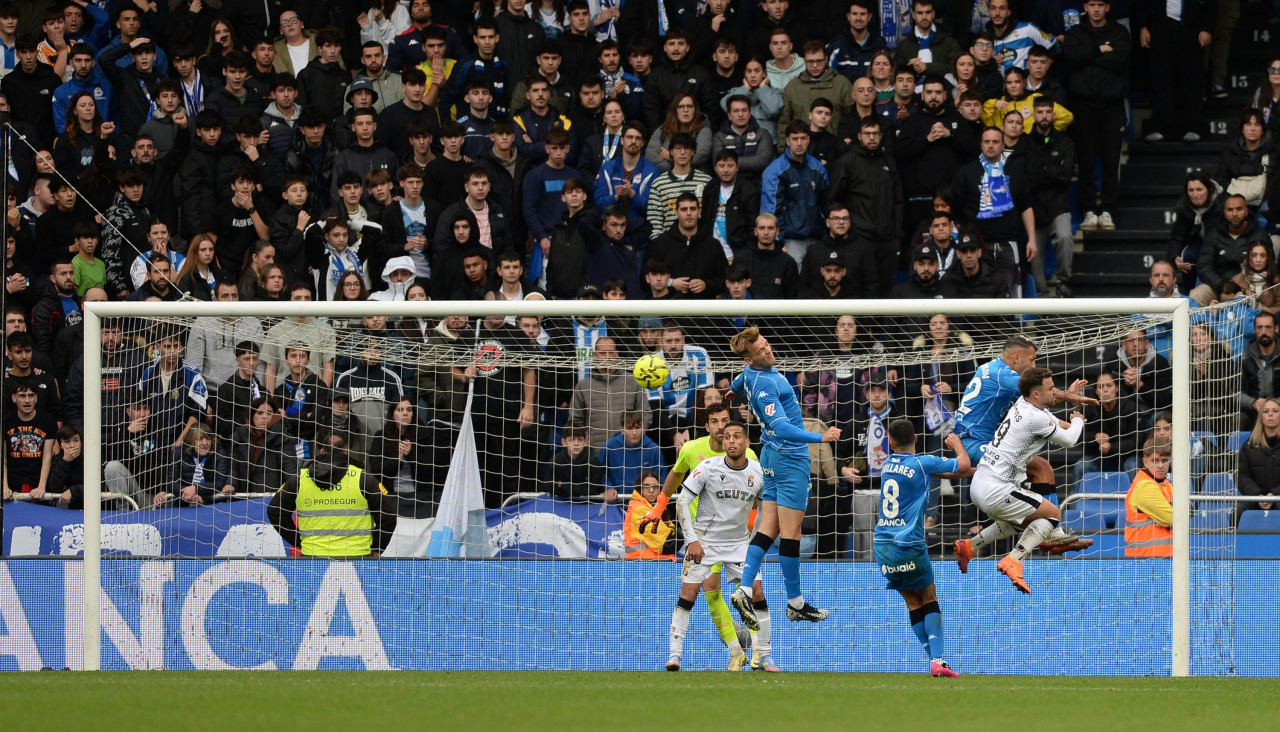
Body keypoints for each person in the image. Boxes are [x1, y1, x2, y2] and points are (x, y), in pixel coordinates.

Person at [727, 326, 840, 625]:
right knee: (792, 534)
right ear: (750, 359)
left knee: (768, 528)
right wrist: (820, 437)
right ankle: (795, 603)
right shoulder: (765, 384)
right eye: (760, 350)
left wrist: (733, 390)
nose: (767, 350)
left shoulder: (749, 374)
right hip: (790, 459)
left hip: (771, 457)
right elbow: (782, 427)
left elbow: (738, 381)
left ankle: (744, 588)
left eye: (766, 344)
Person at [960, 368, 1092, 593]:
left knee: (1023, 519)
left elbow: (1056, 422)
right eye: (1051, 388)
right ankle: (1014, 559)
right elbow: (1070, 440)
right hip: (997, 488)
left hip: (981, 483)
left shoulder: (1025, 404)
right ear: (1037, 394)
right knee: (1052, 515)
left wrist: (1070, 405)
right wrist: (1078, 420)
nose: (1055, 392)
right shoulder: (1035, 417)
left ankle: (970, 545)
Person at [670, 421, 771, 672]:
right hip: (704, 541)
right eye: (727, 437)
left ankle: (763, 653)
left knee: (756, 592)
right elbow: (682, 502)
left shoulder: (758, 472)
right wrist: (692, 540)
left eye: (737, 436)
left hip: (738, 543)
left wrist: (756, 540)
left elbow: (766, 510)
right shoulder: (708, 467)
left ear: (747, 442)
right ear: (723, 442)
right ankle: (675, 656)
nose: (731, 441)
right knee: (689, 593)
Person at [951, 336, 1093, 508]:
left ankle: (1046, 519)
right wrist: (1070, 396)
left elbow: (1039, 399)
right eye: (1032, 360)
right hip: (973, 442)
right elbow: (1041, 391)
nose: (1033, 366)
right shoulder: (1003, 375)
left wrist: (1061, 422)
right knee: (1035, 469)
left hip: (981, 439)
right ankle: (1050, 519)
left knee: (1041, 468)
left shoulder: (996, 370)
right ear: (1017, 358)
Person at [874, 419, 969, 677]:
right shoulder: (922, 463)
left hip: (882, 545)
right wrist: (957, 445)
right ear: (916, 438)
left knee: (913, 604)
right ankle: (938, 660)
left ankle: (936, 661)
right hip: (909, 543)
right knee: (929, 599)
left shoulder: (886, 464)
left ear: (890, 442)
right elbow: (962, 465)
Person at [268, 432, 397, 558]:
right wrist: (377, 547)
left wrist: (299, 540)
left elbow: (275, 511)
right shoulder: (363, 479)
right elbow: (388, 514)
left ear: (322, 451)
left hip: (313, 556)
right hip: (357, 556)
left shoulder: (299, 479)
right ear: (347, 452)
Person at [1063, 0, 1130, 233]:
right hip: (1083, 107)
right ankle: (1089, 210)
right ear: (1085, 7)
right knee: (1086, 162)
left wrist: (1088, 56)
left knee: (1111, 162)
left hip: (1112, 107)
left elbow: (1121, 60)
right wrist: (1100, 49)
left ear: (1108, 7)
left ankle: (1108, 210)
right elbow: (1072, 58)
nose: (1096, 9)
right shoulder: (1075, 32)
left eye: (1100, 4)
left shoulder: (1119, 32)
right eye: (1092, 4)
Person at [951, 127, 1036, 297]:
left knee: (1009, 294)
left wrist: (1032, 239)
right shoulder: (966, 172)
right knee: (977, 294)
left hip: (1008, 243)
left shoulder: (1015, 171)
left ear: (1003, 145)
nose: (990, 145)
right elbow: (955, 209)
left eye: (995, 142)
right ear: (981, 144)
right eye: (987, 141)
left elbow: (1026, 207)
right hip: (976, 245)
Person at [1135, 0, 1215, 143]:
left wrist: (1207, 28)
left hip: (1190, 29)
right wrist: (1143, 26)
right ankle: (1161, 127)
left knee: (1192, 81)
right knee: (1160, 81)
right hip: (1160, 28)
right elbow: (1142, 3)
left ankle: (1193, 127)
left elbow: (1211, 4)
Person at [1167, 171, 1224, 294]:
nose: (1195, 194)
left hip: (1221, 243)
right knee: (1187, 257)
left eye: (1199, 189)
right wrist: (1175, 256)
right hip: (1199, 241)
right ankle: (1190, 293)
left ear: (1209, 189)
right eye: (1191, 190)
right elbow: (1177, 236)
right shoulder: (1184, 206)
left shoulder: (1222, 203)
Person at [2, 383, 57, 501]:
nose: (27, 400)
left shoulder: (48, 420)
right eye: (22, 396)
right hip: (12, 482)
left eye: (31, 395)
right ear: (14, 398)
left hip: (37, 481)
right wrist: (4, 486)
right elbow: (2, 459)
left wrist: (41, 486)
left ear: (36, 398)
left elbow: (47, 457)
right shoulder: (5, 420)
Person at [1124, 439, 1174, 557]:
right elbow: (1174, 519)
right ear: (1145, 462)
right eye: (1155, 461)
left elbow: (1188, 510)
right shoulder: (1144, 486)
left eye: (1164, 460)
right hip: (1143, 561)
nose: (1160, 466)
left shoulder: (1166, 484)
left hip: (1164, 559)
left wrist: (1164, 519)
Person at [597, 409, 664, 492]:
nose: (634, 433)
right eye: (629, 428)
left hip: (645, 499)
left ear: (643, 428)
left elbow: (661, 477)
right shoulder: (609, 446)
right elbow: (599, 472)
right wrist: (608, 488)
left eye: (638, 428)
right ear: (622, 430)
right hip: (616, 498)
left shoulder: (654, 449)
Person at [1238, 399, 1280, 522]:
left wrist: (1274, 495)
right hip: (1256, 499)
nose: (1270, 414)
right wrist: (1258, 496)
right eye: (1266, 411)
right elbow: (1241, 476)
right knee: (1238, 510)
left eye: (1275, 411)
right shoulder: (1249, 445)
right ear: (1261, 416)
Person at [541, 424, 605, 499]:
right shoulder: (555, 461)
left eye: (580, 440)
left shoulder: (593, 462)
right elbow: (549, 487)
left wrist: (562, 485)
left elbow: (593, 490)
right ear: (564, 442)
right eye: (571, 440)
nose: (576, 444)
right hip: (561, 503)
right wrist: (580, 488)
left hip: (587, 504)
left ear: (585, 442)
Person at [624, 470, 675, 559]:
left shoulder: (656, 508)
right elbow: (668, 543)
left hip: (655, 562)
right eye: (646, 487)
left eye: (655, 487)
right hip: (645, 563)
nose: (651, 490)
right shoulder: (639, 510)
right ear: (640, 488)